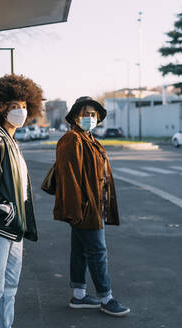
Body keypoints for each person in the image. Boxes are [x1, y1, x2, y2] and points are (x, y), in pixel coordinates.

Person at [53, 96, 130, 317]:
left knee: (81, 251)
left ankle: (79, 295)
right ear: (76, 116)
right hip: (85, 207)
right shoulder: (72, 140)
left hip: (92, 204)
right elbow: (69, 177)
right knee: (98, 251)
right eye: (85, 114)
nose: (89, 117)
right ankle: (107, 298)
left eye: (93, 114)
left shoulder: (89, 138)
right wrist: (77, 210)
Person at [0, 74, 43, 328]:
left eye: (24, 106)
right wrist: (7, 211)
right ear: (1, 108)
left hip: (14, 229)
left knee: (10, 287)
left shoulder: (12, 142)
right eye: (14, 106)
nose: (20, 111)